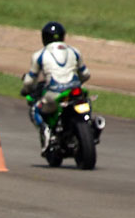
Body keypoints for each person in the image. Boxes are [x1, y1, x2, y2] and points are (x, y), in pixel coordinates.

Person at [21, 21, 91, 153]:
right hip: (75, 90)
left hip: (54, 92)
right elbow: (86, 74)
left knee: (35, 110)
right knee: (86, 100)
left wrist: (26, 90)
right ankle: (92, 125)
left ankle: (46, 131)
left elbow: (30, 81)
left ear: (44, 37)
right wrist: (77, 84)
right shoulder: (75, 51)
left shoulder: (39, 55)